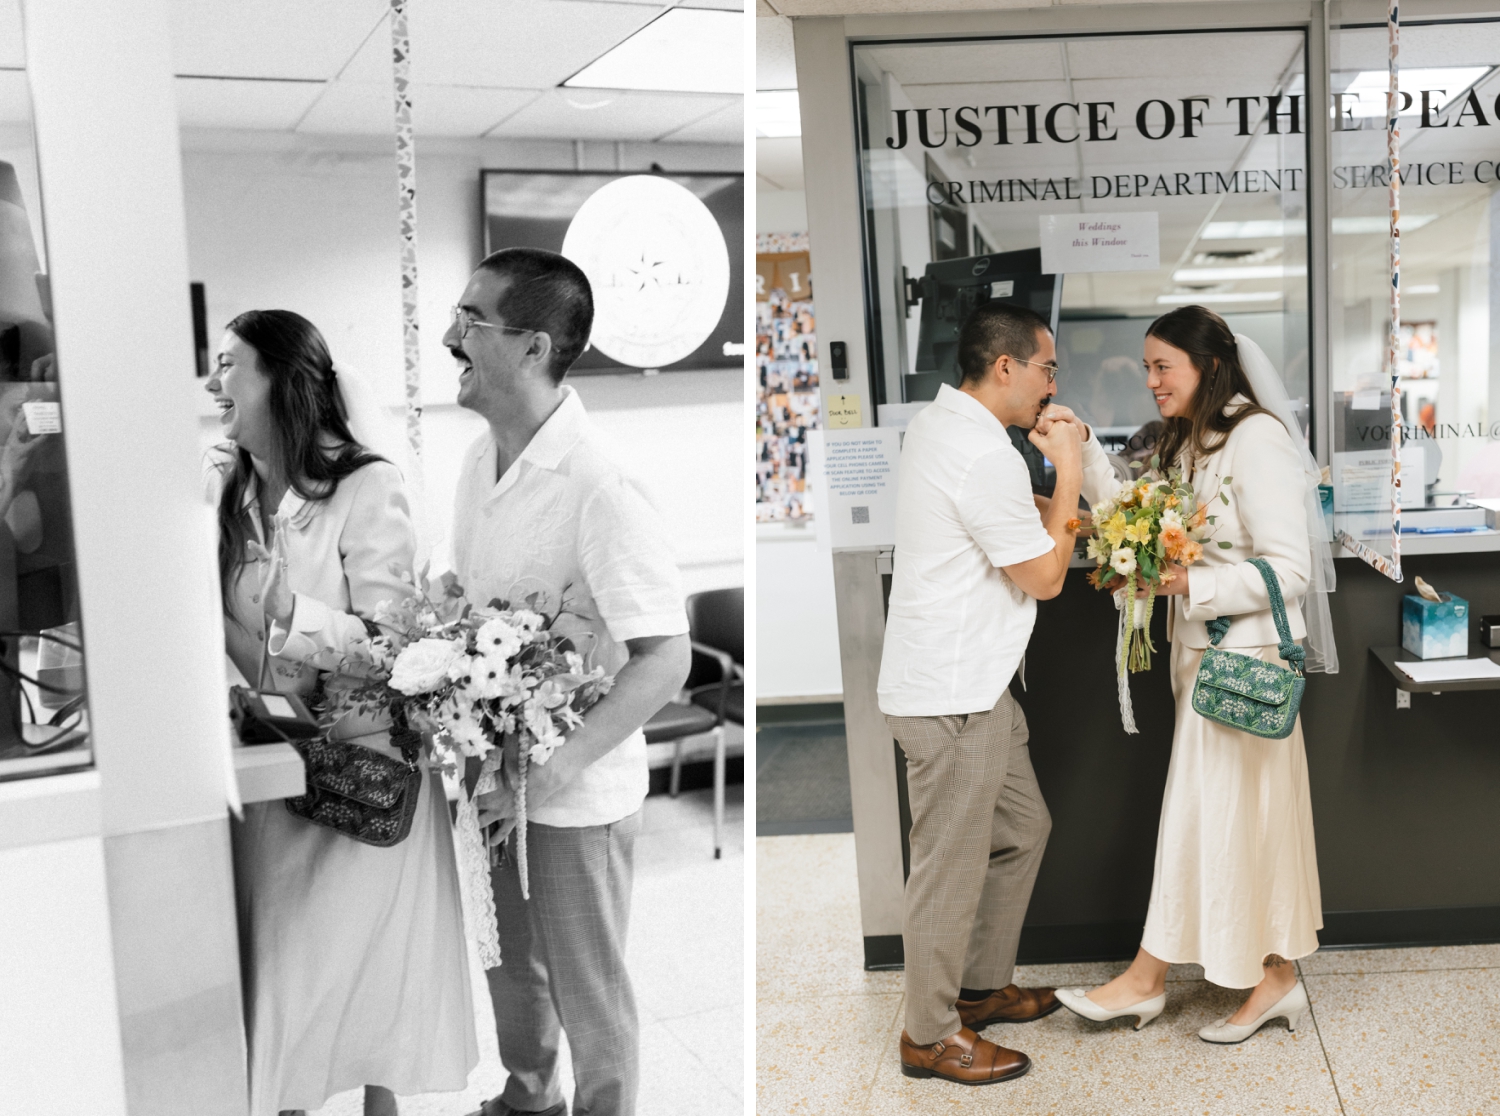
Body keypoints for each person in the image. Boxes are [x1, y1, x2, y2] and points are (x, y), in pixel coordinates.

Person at [206, 310, 477, 1116]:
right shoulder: (225, 488)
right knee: (287, 969)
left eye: (229, 366)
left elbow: (395, 643)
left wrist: (293, 615)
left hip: (359, 763)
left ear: (283, 381)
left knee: (369, 969)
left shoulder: (367, 484)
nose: (214, 384)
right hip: (263, 764)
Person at [444, 248, 691, 1116]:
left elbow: (666, 658)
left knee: (590, 991)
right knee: (511, 970)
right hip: (490, 780)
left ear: (534, 347)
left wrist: (552, 768)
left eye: (470, 322)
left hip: (573, 791)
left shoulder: (603, 486)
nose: (451, 338)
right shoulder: (482, 462)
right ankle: (527, 1099)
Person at [1055, 304, 1334, 1043]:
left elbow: (1290, 569)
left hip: (1243, 666)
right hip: (1201, 664)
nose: (1150, 381)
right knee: (1239, 825)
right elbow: (1140, 512)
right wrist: (1081, 451)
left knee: (1214, 819)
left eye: (1161, 366)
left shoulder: (1258, 440)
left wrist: (1189, 587)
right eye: (1146, 367)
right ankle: (1271, 978)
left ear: (1206, 366)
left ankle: (1149, 981)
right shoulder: (1191, 443)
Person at [877, 302, 1121, 1086]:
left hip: (976, 684)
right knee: (947, 867)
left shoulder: (943, 426)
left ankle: (979, 989)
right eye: (1048, 369)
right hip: (952, 698)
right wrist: (1072, 464)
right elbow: (1046, 579)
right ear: (1007, 367)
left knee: (1024, 830)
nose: (1054, 386)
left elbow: (1019, 548)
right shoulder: (984, 455)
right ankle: (929, 1034)